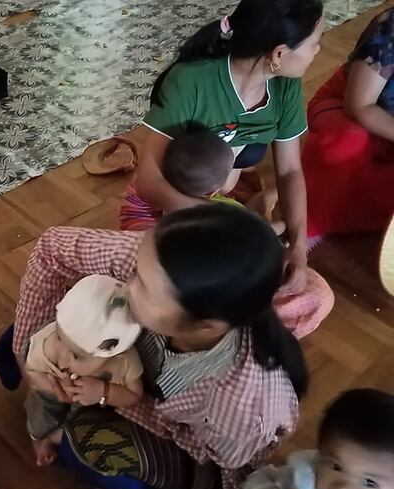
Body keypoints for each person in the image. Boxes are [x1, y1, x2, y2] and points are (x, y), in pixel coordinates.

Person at [0, 204, 333, 489]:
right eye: (136, 270)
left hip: (193, 451)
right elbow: (52, 249)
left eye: (142, 287)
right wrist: (29, 361)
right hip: (131, 382)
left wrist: (112, 396)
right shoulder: (161, 262)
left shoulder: (243, 403)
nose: (126, 286)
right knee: (20, 343)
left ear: (206, 326)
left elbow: (217, 463)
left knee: (87, 440)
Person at [127, 0, 325, 294]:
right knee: (172, 285)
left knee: (307, 291)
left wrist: (298, 249)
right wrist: (226, 221)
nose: (318, 50)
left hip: (216, 197)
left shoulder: (284, 86)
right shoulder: (191, 80)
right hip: (166, 203)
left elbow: (290, 171)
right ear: (279, 53)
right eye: (315, 43)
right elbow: (148, 181)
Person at [24, 274, 144, 467]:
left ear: (113, 354)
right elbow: (31, 371)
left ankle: (59, 438)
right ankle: (38, 437)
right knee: (41, 412)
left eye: (77, 356)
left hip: (92, 405)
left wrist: (104, 392)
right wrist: (50, 388)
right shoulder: (48, 343)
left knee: (84, 426)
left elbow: (134, 395)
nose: (63, 357)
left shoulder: (125, 360)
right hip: (51, 392)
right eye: (60, 338)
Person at [238, 388, 394, 489]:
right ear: (321, 453)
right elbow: (256, 480)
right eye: (336, 466)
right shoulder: (306, 471)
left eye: (369, 482)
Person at [302, 7, 394, 239]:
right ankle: (308, 221)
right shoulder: (389, 29)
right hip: (347, 107)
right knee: (347, 143)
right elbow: (359, 107)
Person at [120, 130, 281, 232]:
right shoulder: (227, 209)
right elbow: (252, 223)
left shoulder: (161, 189)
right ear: (212, 192)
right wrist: (282, 226)